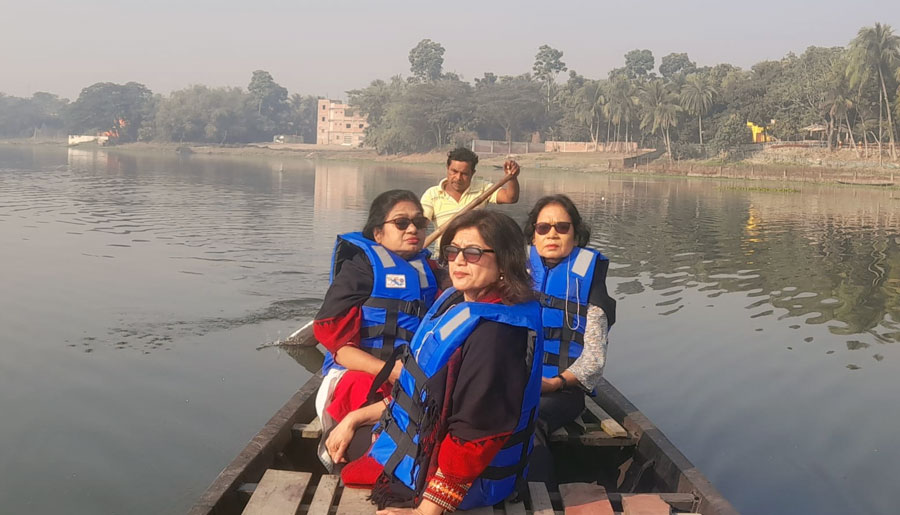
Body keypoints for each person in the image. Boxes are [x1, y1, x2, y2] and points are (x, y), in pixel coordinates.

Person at [324, 210, 543, 514]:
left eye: (473, 253)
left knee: (335, 449)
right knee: (343, 430)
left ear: (505, 261)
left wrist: (424, 512)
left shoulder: (498, 334)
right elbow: (422, 394)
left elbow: (477, 434)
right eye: (452, 251)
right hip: (425, 446)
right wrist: (356, 418)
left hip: (470, 479)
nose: (459, 261)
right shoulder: (457, 302)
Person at [313, 189, 445, 470]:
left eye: (419, 223)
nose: (413, 229)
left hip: (415, 377)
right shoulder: (360, 271)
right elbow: (339, 348)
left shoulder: (433, 272)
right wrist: (393, 371)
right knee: (360, 386)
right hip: (362, 373)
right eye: (401, 223)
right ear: (378, 234)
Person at [522, 194, 617, 485]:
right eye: (543, 228)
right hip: (514, 381)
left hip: (561, 390)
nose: (552, 234)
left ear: (575, 235)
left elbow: (594, 359)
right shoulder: (514, 271)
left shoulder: (590, 280)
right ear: (533, 236)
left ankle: (539, 495)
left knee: (529, 420)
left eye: (562, 227)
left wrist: (557, 382)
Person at [420, 147, 521, 230]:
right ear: (447, 168)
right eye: (454, 171)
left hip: (474, 248)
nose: (458, 178)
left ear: (472, 173)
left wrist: (512, 178)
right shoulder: (432, 194)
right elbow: (420, 224)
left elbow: (510, 198)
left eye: (464, 174)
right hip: (445, 248)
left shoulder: (483, 188)